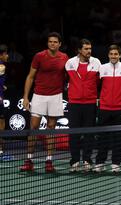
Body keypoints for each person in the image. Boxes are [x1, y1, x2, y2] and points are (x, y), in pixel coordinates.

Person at [20, 32, 69, 173]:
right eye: (50, 41)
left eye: (55, 42)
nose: (52, 44)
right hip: (39, 95)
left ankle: (49, 161)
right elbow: (30, 77)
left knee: (51, 128)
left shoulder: (64, 57)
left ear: (60, 44)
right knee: (34, 127)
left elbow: (68, 75)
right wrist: (25, 97)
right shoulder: (39, 56)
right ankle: (29, 160)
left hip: (56, 96)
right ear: (48, 43)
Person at [65, 39, 101, 172]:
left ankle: (87, 159)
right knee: (74, 133)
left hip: (90, 103)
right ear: (79, 50)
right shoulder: (70, 63)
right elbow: (66, 79)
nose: (89, 51)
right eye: (86, 49)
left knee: (89, 134)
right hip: (74, 103)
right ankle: (74, 161)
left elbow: (99, 81)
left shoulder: (96, 62)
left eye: (90, 48)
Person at [93, 45, 121, 173]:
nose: (113, 56)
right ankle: (100, 163)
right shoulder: (102, 68)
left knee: (118, 138)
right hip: (104, 108)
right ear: (108, 55)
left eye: (116, 54)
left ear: (120, 55)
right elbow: (96, 85)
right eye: (111, 54)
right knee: (103, 138)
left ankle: (115, 164)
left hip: (119, 109)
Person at [0, 44, 11, 161]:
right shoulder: (2, 66)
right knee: (1, 124)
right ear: (2, 55)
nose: (7, 56)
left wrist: (2, 86)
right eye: (6, 54)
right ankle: (0, 151)